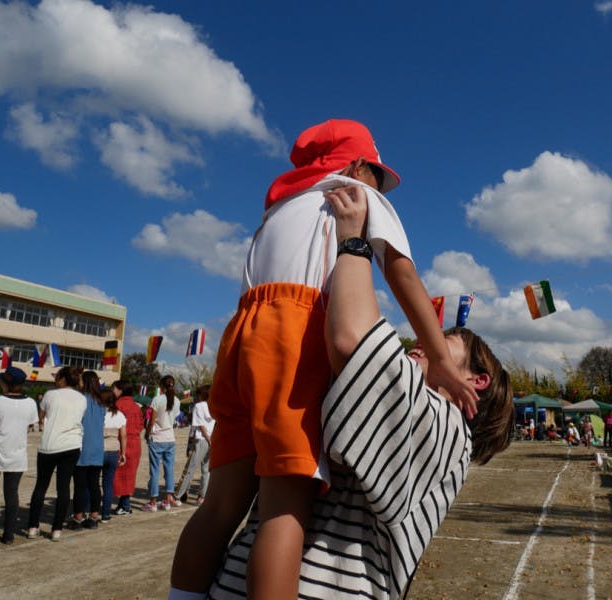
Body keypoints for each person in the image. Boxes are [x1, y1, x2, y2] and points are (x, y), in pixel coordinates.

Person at [170, 119, 478, 598]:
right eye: (378, 174)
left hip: (240, 332)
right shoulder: (354, 193)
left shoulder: (280, 209)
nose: (381, 186)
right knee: (283, 506)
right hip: (293, 327)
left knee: (219, 505)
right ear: (356, 166)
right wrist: (438, 357)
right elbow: (403, 274)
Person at [205, 180, 515, 599]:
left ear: (477, 381)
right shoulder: (403, 401)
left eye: (446, 344)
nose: (426, 342)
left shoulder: (447, 432)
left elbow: (353, 339)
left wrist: (353, 242)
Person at [0, 367, 39, 545]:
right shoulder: (31, 403)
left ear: (5, 383)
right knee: (12, 495)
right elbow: (29, 426)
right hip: (17, 455)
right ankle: (8, 535)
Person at [27, 366, 87, 541]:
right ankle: (57, 529)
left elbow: (42, 414)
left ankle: (32, 526)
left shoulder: (50, 394)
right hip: (71, 445)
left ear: (61, 378)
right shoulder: (81, 399)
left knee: (41, 486)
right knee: (63, 487)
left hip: (49, 444)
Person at [70, 370, 106, 530]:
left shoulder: (80, 400)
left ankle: (78, 517)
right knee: (94, 484)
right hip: (98, 447)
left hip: (82, 446)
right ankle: (93, 517)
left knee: (80, 485)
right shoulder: (101, 402)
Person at [143, 375, 180, 512]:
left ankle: (153, 502)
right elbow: (173, 419)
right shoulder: (176, 401)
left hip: (157, 438)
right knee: (169, 469)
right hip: (170, 438)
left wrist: (147, 434)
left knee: (154, 470)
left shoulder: (157, 400)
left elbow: (152, 420)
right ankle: (168, 498)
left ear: (162, 386)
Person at [173, 385, 213, 506]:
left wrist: (207, 438)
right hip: (212, 439)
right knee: (206, 470)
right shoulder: (212, 405)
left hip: (201, 439)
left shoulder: (198, 406)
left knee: (190, 468)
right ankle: (202, 496)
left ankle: (178, 496)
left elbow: (200, 425)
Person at [112, 380, 143, 515]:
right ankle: (125, 504)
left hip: (122, 443)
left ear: (120, 390)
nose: (113, 391)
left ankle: (124, 505)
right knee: (129, 476)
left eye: (114, 389)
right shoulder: (136, 406)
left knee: (117, 476)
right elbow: (141, 425)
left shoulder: (118, 405)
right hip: (135, 443)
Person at [101, 389, 127, 522]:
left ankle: (89, 511)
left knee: (92, 483)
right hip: (113, 451)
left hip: (98, 450)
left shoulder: (99, 413)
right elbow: (123, 435)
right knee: (108, 484)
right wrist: (123, 453)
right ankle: (105, 514)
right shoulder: (119, 415)